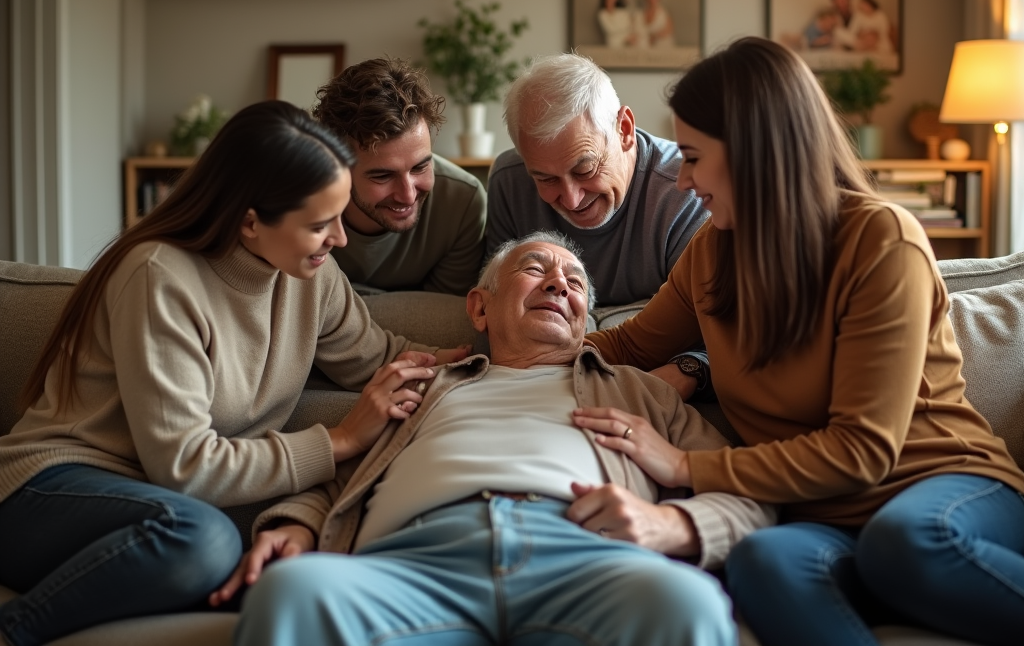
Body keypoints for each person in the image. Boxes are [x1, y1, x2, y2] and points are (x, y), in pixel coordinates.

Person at [577, 37, 1024, 646]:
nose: (682, 181)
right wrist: (493, 351)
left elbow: (864, 450)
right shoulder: (710, 255)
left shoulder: (879, 239)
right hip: (823, 521)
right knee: (760, 559)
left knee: (906, 543)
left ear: (754, 154)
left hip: (944, 489)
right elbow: (626, 346)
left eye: (692, 157)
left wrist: (685, 465)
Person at [0, 100, 468, 646]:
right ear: (250, 220)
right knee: (203, 540)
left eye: (340, 215)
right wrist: (339, 440)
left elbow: (379, 356)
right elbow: (185, 468)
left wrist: (493, 358)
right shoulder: (159, 275)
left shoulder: (310, 274)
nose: (340, 238)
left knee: (263, 577)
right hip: (47, 489)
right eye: (320, 223)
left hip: (149, 506)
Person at [219, 231, 776, 646]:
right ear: (479, 307)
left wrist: (673, 524)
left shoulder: (640, 391)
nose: (559, 283)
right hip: (415, 563)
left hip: (585, 560)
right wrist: (298, 522)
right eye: (536, 269)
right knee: (290, 594)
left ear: (587, 321)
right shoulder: (428, 386)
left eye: (575, 282)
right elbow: (348, 474)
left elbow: (747, 491)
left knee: (688, 603)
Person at [487, 53, 709, 308]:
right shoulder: (509, 181)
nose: (572, 199)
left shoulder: (688, 187)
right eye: (546, 179)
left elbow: (698, 325)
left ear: (624, 130)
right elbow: (499, 305)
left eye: (585, 170)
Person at [312, 57, 487, 296]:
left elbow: (444, 319)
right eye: (383, 176)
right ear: (336, 167)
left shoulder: (463, 202)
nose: (408, 195)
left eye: (420, 167)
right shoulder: (298, 201)